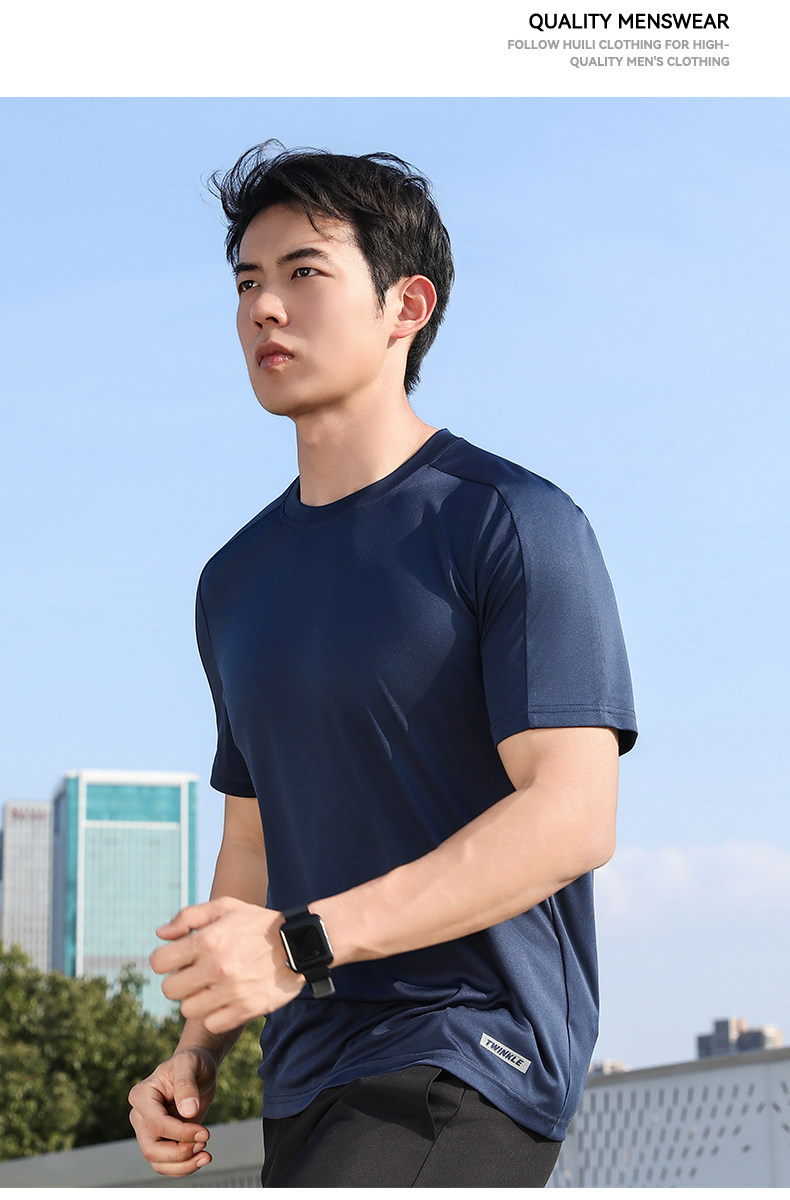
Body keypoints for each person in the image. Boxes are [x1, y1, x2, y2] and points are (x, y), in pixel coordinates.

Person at [128, 141, 637, 1188]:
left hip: (469, 1052)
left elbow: (573, 816)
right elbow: (254, 846)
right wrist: (196, 1049)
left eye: (304, 272)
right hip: (305, 1074)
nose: (265, 308)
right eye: (247, 283)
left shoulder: (511, 522)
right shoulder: (233, 579)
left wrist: (299, 946)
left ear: (406, 305)